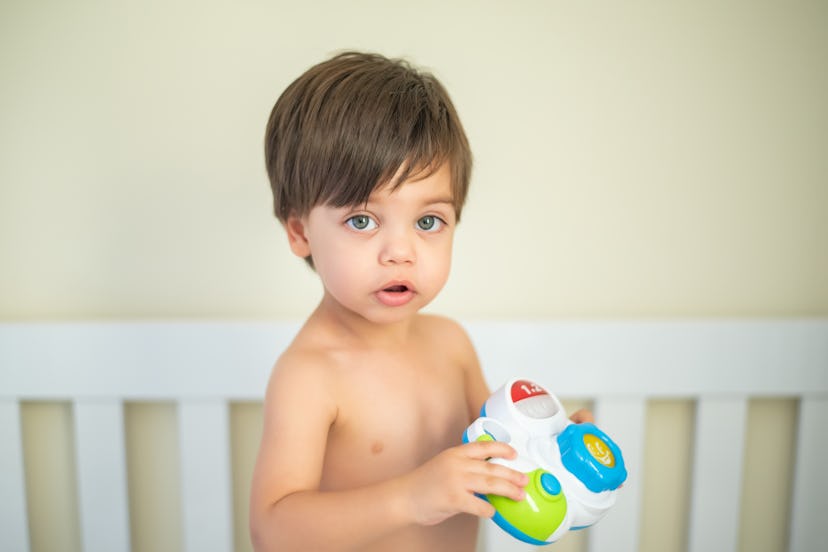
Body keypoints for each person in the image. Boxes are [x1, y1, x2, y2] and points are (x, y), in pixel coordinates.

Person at [249, 51, 591, 552]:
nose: (401, 253)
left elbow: (495, 455)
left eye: (428, 221)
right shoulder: (310, 375)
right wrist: (412, 496)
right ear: (300, 231)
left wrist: (551, 454)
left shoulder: (451, 344)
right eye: (362, 220)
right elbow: (272, 530)